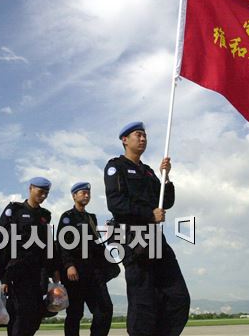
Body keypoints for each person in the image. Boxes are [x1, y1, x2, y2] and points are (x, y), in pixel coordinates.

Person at [104, 121, 190, 336]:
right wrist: (149, 214)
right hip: (133, 237)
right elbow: (116, 204)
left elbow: (166, 202)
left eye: (145, 136)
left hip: (155, 238)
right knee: (143, 301)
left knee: (177, 297)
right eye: (138, 135)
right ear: (125, 140)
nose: (143, 139)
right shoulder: (117, 166)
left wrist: (166, 177)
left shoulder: (149, 172)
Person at [0, 177, 60, 336]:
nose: (43, 196)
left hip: (39, 271)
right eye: (40, 192)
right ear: (30, 188)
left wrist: (55, 269)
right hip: (18, 268)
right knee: (21, 312)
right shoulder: (15, 210)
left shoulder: (45, 216)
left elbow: (49, 245)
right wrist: (2, 276)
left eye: (46, 193)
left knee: (37, 312)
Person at [57, 182, 113, 336]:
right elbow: (63, 242)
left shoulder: (91, 218)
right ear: (74, 196)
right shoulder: (67, 217)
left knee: (105, 309)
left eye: (88, 193)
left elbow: (96, 244)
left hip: (93, 271)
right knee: (75, 313)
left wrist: (108, 234)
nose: (87, 195)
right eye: (82, 193)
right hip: (75, 272)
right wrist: (69, 265)